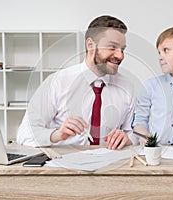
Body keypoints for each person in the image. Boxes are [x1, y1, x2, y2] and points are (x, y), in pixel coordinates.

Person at [17, 15, 138, 150]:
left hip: (111, 165)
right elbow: (24, 134)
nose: (120, 56)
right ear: (90, 45)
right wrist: (57, 135)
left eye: (122, 49)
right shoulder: (58, 82)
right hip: (66, 166)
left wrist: (127, 139)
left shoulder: (127, 86)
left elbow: (134, 134)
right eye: (112, 47)